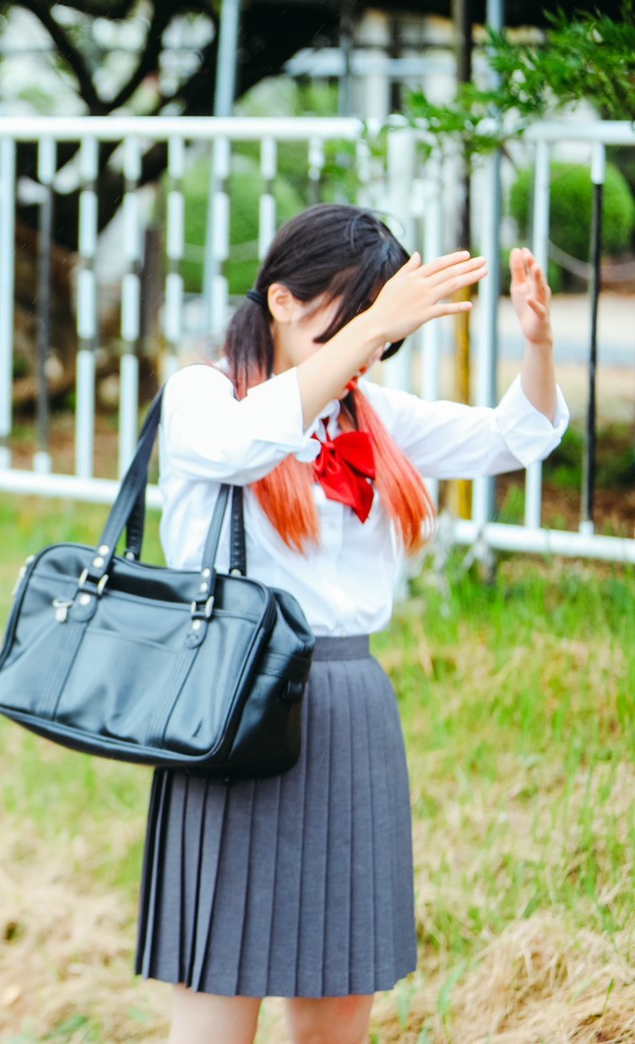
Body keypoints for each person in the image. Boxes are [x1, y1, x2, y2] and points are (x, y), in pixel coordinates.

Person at [136, 204, 567, 1043]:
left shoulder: (370, 413)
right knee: (217, 1001)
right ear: (283, 300)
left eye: (385, 329)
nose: (374, 348)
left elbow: (513, 437)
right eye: (358, 318)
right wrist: (371, 329)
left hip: (348, 710)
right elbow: (241, 447)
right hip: (233, 705)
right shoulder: (205, 395)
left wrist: (539, 344)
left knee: (337, 1010)